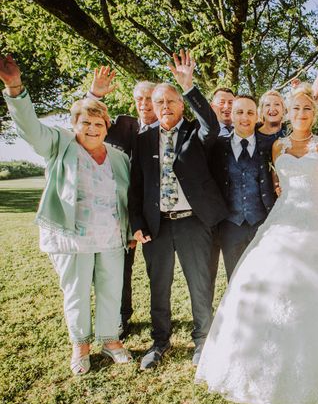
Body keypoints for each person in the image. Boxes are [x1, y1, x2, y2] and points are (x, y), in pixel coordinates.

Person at [195, 83, 318, 404]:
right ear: (288, 113)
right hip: (284, 220)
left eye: (308, 109)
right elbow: (276, 183)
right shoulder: (278, 147)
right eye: (296, 109)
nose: (301, 114)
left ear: (315, 114)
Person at [0, 54, 132, 375]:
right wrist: (15, 89)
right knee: (76, 293)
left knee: (111, 289)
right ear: (74, 126)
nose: (91, 128)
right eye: (84, 123)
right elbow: (31, 129)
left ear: (107, 128)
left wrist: (129, 232)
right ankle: (80, 346)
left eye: (98, 124)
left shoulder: (118, 157)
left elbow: (127, 197)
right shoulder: (59, 145)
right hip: (71, 237)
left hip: (111, 236)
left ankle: (110, 340)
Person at [129, 50, 228, 370]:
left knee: (199, 283)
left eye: (171, 101)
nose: (165, 107)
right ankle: (160, 342)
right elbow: (136, 185)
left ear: (181, 105)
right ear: (153, 108)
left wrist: (188, 85)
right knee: (158, 284)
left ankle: (202, 339)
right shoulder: (143, 140)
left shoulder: (196, 134)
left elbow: (211, 125)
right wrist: (137, 222)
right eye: (159, 103)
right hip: (157, 227)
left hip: (192, 222)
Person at [88, 67, 159, 338]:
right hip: (118, 213)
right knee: (120, 270)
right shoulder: (120, 126)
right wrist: (95, 94)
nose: (144, 104)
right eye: (139, 99)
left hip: (154, 213)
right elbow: (90, 118)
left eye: (150, 98)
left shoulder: (167, 127)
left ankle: (159, 319)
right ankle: (122, 317)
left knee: (158, 272)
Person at [208, 94, 278, 279]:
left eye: (250, 112)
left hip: (263, 223)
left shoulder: (271, 145)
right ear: (231, 115)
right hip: (231, 226)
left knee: (266, 277)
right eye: (239, 112)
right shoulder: (218, 146)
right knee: (236, 279)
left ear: (257, 117)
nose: (245, 118)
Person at [257, 35, 318, 138]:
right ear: (261, 111)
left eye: (276, 104)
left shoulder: (289, 130)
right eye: (267, 105)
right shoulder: (253, 131)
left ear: (284, 110)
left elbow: (313, 97)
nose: (272, 108)